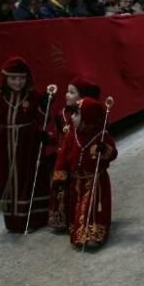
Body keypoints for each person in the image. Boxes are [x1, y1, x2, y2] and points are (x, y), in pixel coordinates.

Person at [0, 57, 52, 233]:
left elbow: (41, 119)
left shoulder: (33, 96)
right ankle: (15, 222)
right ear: (5, 79)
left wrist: (45, 107)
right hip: (8, 145)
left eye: (21, 78)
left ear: (27, 78)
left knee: (30, 176)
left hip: (30, 143)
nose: (17, 82)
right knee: (11, 179)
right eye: (13, 78)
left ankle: (35, 218)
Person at [53, 96, 116, 249]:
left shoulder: (101, 135)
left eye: (76, 114)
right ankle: (80, 235)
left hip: (95, 182)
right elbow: (63, 157)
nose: (71, 117)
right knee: (78, 207)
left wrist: (105, 150)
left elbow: (113, 153)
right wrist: (60, 175)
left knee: (92, 209)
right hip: (76, 182)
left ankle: (94, 235)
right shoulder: (71, 135)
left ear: (88, 117)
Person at [49, 77, 100, 234]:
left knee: (77, 193)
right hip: (64, 157)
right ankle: (61, 221)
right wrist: (48, 138)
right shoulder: (61, 114)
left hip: (80, 159)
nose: (66, 95)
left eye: (72, 92)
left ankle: (80, 223)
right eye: (67, 91)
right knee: (62, 190)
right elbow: (59, 136)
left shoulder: (89, 115)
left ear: (82, 97)